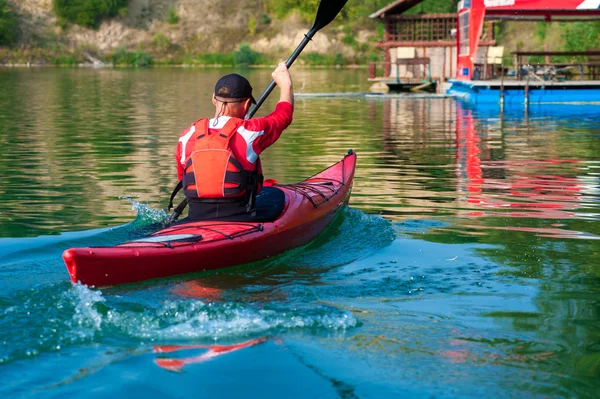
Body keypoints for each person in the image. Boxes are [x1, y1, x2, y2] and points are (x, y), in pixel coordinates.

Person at [174, 62, 294, 221]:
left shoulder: (187, 135)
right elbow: (283, 116)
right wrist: (286, 85)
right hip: (239, 217)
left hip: (196, 215)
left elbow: (183, 179)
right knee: (276, 194)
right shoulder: (251, 131)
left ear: (213, 100)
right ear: (246, 104)